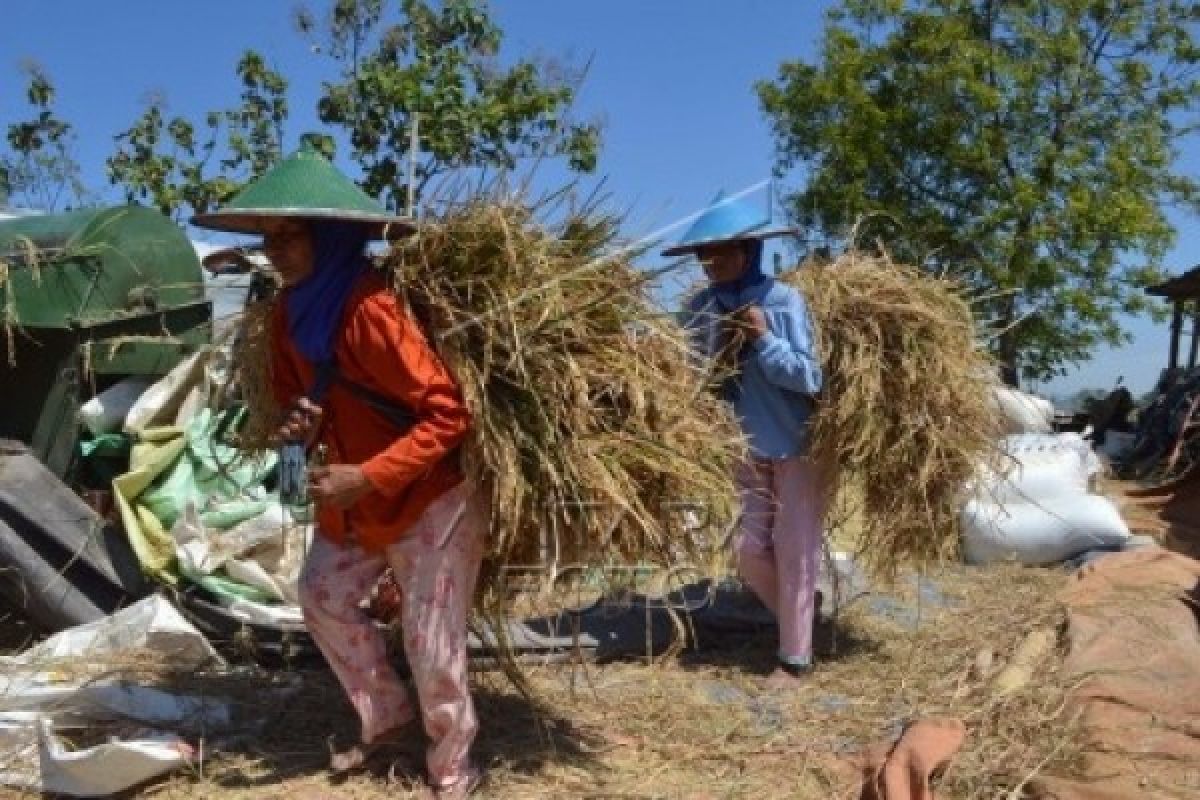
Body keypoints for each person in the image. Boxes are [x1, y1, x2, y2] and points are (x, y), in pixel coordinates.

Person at [193, 146, 485, 798]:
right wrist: (298, 448)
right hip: (355, 502)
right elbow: (299, 432)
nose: (279, 250)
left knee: (433, 647)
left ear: (329, 237)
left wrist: (369, 476)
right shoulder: (290, 320)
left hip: (429, 500)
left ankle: (452, 771)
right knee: (321, 595)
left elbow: (448, 414)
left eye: (292, 235)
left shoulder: (372, 311)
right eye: (271, 237)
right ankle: (389, 720)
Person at [670, 191, 829, 689]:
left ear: (748, 252)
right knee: (746, 547)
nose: (709, 263)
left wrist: (763, 338)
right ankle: (801, 615)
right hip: (742, 442)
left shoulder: (782, 301)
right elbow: (691, 372)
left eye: (720, 252)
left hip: (796, 443)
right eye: (703, 254)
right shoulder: (700, 310)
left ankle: (794, 660)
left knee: (796, 547)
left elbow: (809, 378)